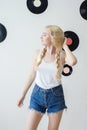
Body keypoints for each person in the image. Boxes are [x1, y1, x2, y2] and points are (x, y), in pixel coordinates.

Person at [17, 25, 77, 130]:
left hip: (56, 96)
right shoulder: (37, 53)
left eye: (44, 35)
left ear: (53, 38)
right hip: (37, 94)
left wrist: (65, 45)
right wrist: (23, 95)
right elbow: (31, 75)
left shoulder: (62, 55)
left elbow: (73, 61)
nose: (41, 37)